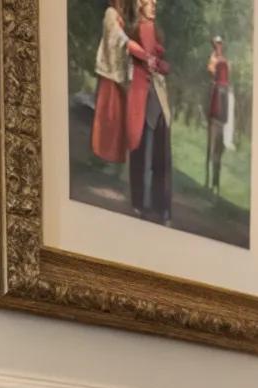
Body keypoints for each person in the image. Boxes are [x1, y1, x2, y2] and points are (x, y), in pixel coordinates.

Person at [125, 0, 172, 223]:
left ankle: (160, 206)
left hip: (158, 97)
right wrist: (147, 57)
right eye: (150, 1)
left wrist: (161, 65)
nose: (154, 5)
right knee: (139, 151)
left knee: (161, 154)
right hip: (140, 96)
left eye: (155, 2)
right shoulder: (134, 30)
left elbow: (164, 65)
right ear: (139, 4)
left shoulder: (158, 31)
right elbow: (129, 49)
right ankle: (138, 203)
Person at [90, 2, 130, 165]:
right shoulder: (110, 13)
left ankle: (113, 156)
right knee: (107, 114)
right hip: (109, 71)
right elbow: (113, 37)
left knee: (116, 116)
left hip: (117, 72)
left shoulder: (119, 15)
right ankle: (101, 154)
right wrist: (128, 43)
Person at [206, 36, 232, 195]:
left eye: (220, 44)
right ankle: (209, 180)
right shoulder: (213, 60)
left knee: (219, 146)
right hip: (216, 100)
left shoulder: (226, 61)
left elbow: (227, 79)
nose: (218, 46)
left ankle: (216, 182)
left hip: (224, 101)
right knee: (213, 144)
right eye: (216, 44)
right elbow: (211, 72)